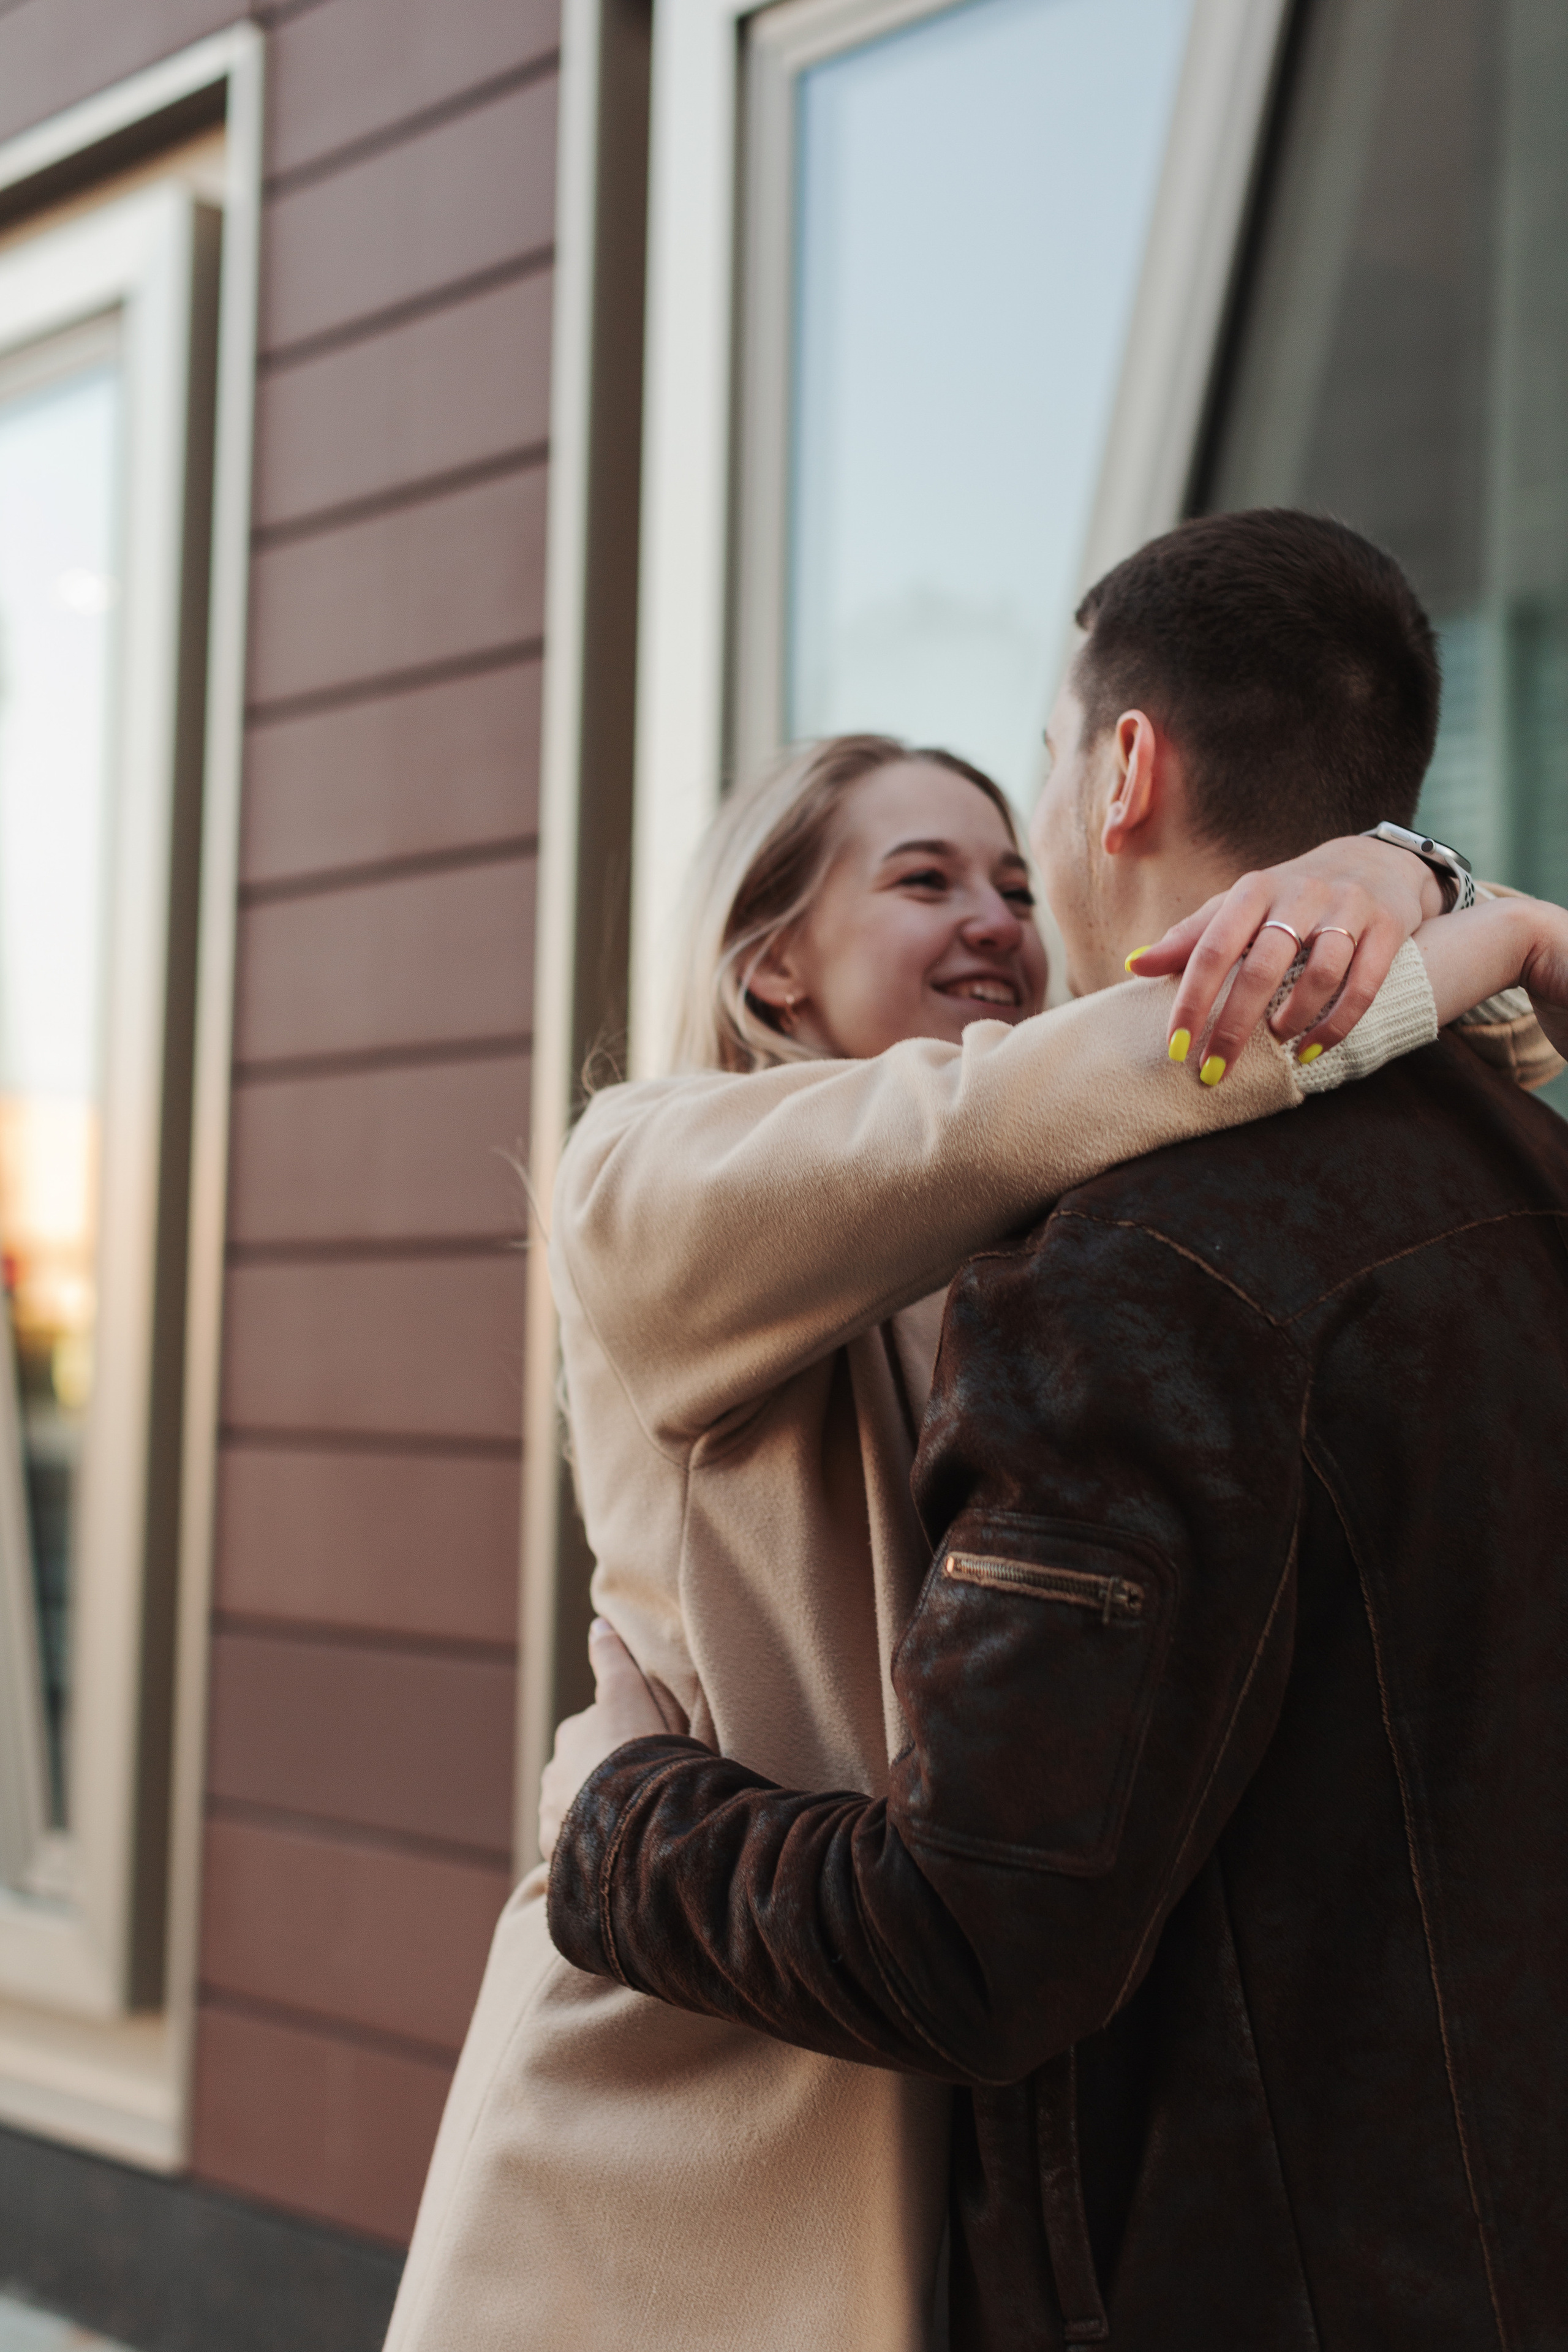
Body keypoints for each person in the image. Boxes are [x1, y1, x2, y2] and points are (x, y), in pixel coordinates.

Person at [388, 530, 1553, 2352]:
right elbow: (1053, 1091)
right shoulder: (648, 1173)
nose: (1005, 917)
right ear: (772, 967)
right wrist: (1456, 910)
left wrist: (1404, 886)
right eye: (924, 878)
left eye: (1019, 870)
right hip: (695, 2111)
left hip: (917, 2062)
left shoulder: (1049, 1221)